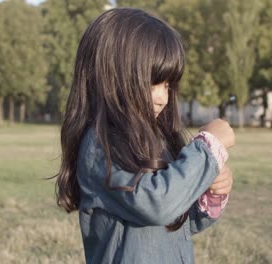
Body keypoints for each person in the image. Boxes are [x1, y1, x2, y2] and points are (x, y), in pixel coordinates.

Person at [54, 8, 235, 263]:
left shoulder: (158, 141)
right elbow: (157, 204)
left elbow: (176, 221)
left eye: (168, 85)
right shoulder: (101, 145)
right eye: (152, 82)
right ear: (112, 77)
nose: (163, 98)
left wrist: (209, 193)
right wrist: (208, 148)